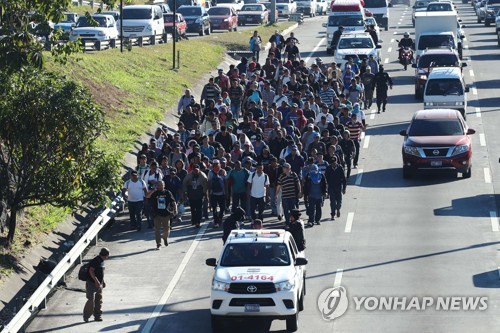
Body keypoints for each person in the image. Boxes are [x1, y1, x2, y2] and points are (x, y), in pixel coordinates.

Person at [148, 181, 177, 249]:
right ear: (157, 186)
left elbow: (173, 201)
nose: (160, 186)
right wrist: (153, 190)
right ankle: (158, 244)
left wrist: (175, 209)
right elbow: (147, 196)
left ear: (164, 185)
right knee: (157, 230)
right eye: (159, 185)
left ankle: (165, 238)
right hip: (156, 214)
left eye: (162, 185)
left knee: (166, 229)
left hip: (166, 214)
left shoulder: (167, 192)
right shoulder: (155, 193)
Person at [83, 247, 110, 323]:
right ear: (105, 255)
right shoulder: (95, 261)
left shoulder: (101, 261)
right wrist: (96, 281)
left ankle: (97, 316)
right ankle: (86, 316)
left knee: (99, 300)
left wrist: (102, 282)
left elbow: (100, 273)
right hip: (91, 284)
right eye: (108, 255)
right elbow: (91, 271)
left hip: (99, 284)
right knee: (90, 300)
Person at [275, 163, 301, 227]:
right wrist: (276, 194)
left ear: (288, 168)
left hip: (292, 196)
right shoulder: (281, 176)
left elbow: (298, 183)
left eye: (284, 168)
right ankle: (287, 222)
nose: (283, 169)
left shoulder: (294, 175)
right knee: (286, 210)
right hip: (285, 196)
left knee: (293, 210)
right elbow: (278, 186)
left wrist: (300, 191)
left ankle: (294, 222)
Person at [325, 156, 347, 221]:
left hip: (338, 187)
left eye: (334, 162)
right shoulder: (328, 168)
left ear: (336, 161)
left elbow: (343, 178)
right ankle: (332, 214)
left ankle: (338, 209)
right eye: (332, 163)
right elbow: (326, 178)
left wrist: (344, 188)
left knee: (339, 200)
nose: (333, 164)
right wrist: (326, 189)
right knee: (332, 201)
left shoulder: (340, 167)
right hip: (331, 187)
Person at [208, 159, 227, 228]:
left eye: (217, 164)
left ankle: (220, 218)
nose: (216, 166)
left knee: (222, 208)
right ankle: (216, 221)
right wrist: (209, 194)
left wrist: (227, 193)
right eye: (214, 164)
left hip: (222, 193)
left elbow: (225, 183)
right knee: (214, 208)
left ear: (220, 164)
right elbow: (209, 183)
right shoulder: (210, 172)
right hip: (213, 193)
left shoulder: (223, 171)